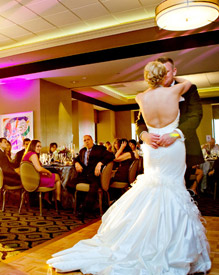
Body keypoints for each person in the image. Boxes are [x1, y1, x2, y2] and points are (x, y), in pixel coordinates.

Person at [47, 61, 211, 274]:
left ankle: (143, 237)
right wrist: (147, 132)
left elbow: (193, 116)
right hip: (170, 148)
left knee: (152, 188)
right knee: (172, 188)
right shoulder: (176, 90)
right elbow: (144, 120)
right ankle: (171, 245)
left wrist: (160, 133)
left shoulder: (140, 97)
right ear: (164, 75)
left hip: (154, 148)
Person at [136, 56, 204, 196]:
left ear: (174, 71)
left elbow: (195, 116)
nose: (164, 75)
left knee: (178, 190)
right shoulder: (174, 90)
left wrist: (174, 135)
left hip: (181, 147)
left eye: (166, 71)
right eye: (160, 72)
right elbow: (140, 122)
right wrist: (144, 135)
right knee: (153, 190)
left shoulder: (188, 90)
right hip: (153, 146)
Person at [66, 135, 114, 220]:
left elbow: (111, 156)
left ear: (92, 140)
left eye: (88, 139)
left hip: (94, 176)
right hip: (84, 176)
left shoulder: (99, 149)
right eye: (85, 140)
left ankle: (84, 209)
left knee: (93, 188)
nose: (87, 141)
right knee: (69, 184)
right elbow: (75, 159)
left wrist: (100, 163)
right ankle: (81, 202)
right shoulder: (82, 151)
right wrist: (76, 163)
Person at [22, 140, 62, 209]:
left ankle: (47, 199)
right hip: (35, 181)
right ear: (32, 146)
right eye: (37, 146)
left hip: (29, 180)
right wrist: (48, 172)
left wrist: (44, 172)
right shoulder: (33, 155)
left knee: (51, 177)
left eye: (40, 146)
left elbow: (34, 169)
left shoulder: (27, 154)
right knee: (57, 177)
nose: (39, 148)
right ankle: (58, 201)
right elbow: (39, 168)